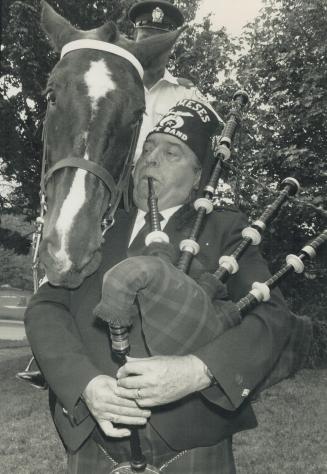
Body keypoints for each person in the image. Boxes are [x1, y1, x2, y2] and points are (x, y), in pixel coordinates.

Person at [25, 100, 292, 473]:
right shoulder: (98, 226)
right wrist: (86, 384)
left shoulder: (228, 230)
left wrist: (197, 370)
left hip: (193, 449)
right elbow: (46, 307)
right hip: (94, 446)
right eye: (148, 148)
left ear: (199, 177)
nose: (151, 158)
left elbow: (273, 318)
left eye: (172, 153)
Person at [128, 0, 224, 160]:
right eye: (145, 38)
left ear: (171, 45)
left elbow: (220, 138)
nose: (152, 47)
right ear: (134, 38)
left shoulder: (187, 95)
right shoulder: (111, 86)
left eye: (161, 41)